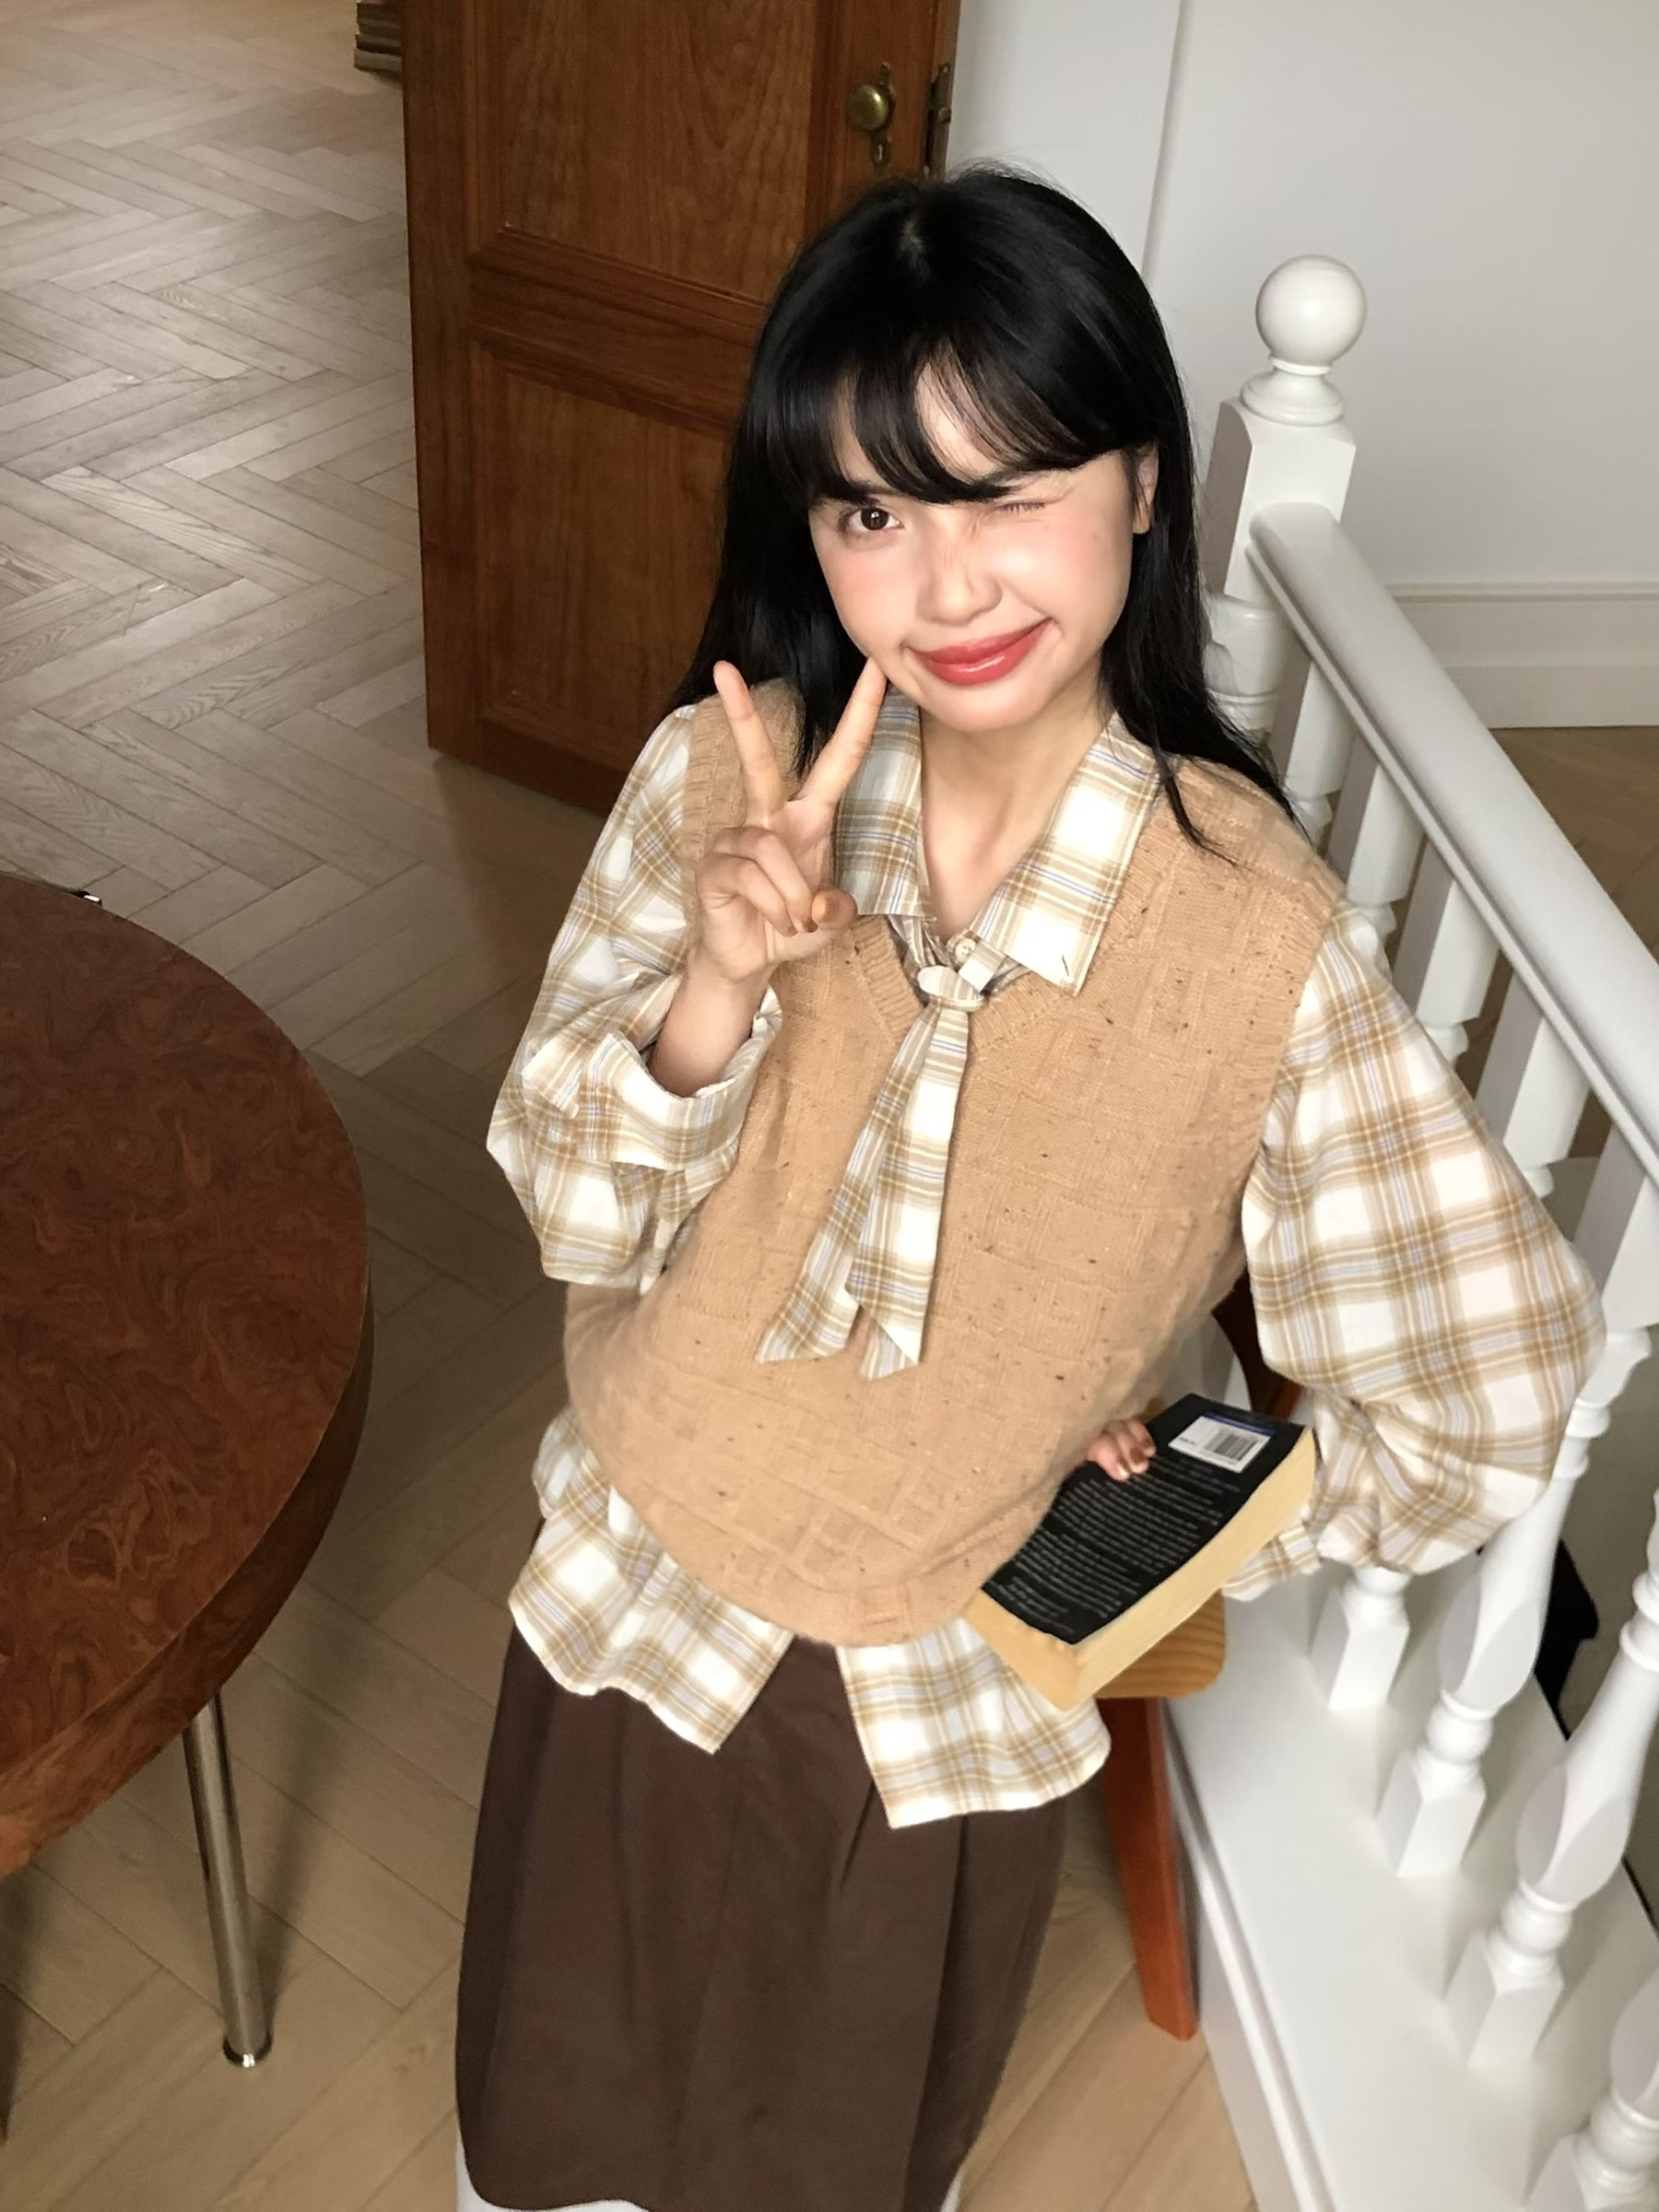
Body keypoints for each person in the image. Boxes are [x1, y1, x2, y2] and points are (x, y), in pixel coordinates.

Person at [453, 167, 1605, 2212]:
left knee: (821, 2157)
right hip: (640, 1587)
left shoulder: (1255, 937)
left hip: (936, 1690)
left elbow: (1493, 1380)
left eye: (1007, 494)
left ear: (1144, 483)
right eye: (870, 515)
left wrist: (1191, 1502)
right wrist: (715, 987)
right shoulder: (725, 783)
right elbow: (577, 1221)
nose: (946, 582)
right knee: (552, 2124)